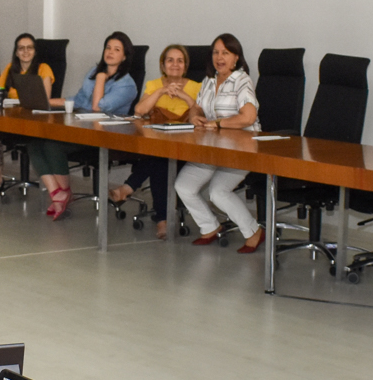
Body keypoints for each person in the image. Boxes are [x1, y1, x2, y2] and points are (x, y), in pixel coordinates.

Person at [30, 32, 137, 220]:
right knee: (33, 140)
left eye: (117, 49)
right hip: (81, 128)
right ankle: (59, 193)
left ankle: (64, 193)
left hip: (105, 137)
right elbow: (77, 100)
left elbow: (97, 108)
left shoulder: (127, 85)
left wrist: (102, 79)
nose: (110, 52)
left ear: (125, 56)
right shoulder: (93, 72)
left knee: (52, 145)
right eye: (108, 47)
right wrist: (45, 101)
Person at [176, 34, 266, 253]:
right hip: (213, 148)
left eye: (225, 52)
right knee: (184, 185)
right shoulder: (209, 80)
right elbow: (197, 107)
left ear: (236, 57)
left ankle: (254, 231)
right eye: (216, 52)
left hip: (242, 149)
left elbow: (248, 117)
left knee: (217, 191)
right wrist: (193, 116)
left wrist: (218, 123)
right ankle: (209, 227)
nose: (220, 57)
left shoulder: (242, 80)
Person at [110, 43, 200, 240]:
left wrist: (183, 95)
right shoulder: (153, 85)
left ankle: (131, 189)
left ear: (185, 66)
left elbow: (202, 113)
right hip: (157, 143)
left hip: (186, 146)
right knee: (160, 159)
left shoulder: (197, 87)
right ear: (163, 64)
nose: (175, 64)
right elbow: (139, 111)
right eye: (170, 60)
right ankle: (162, 219)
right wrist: (161, 91)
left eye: (179, 61)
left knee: (159, 160)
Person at [0, 32, 55, 202]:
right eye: (21, 48)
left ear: (35, 51)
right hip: (9, 121)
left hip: (32, 124)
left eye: (29, 48)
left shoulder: (43, 69)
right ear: (16, 52)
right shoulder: (10, 69)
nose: (25, 51)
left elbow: (45, 100)